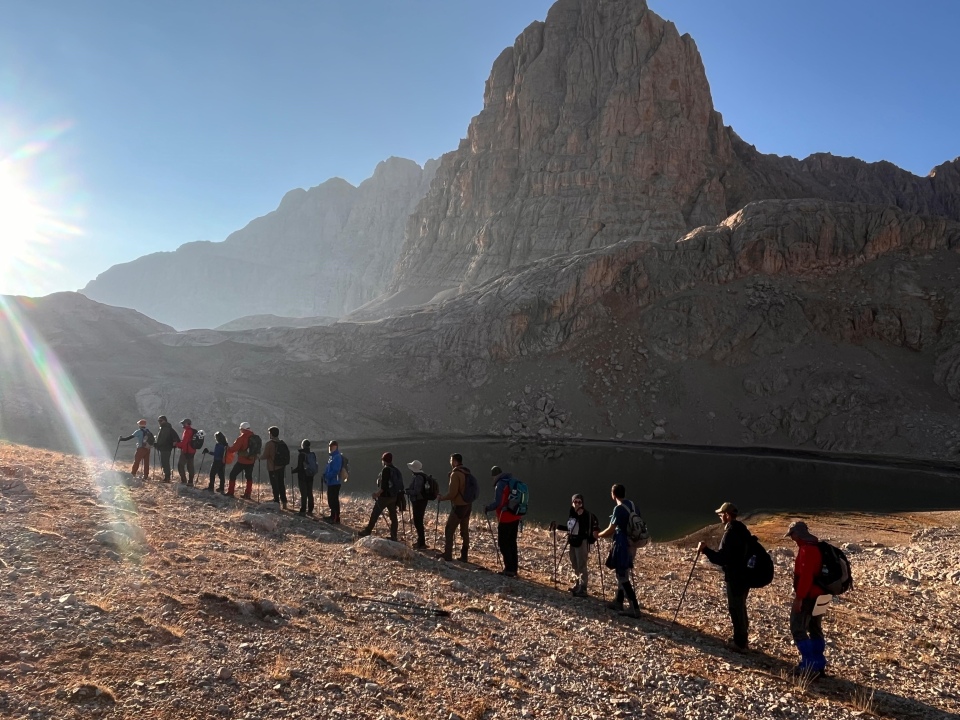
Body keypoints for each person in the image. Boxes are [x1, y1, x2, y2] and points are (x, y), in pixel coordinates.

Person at [697, 501, 752, 652]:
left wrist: (706, 550)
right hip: (745, 575)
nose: (720, 516)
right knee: (740, 606)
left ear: (727, 515)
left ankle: (740, 643)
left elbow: (722, 558)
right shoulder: (742, 529)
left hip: (735, 576)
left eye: (721, 514)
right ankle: (741, 638)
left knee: (735, 607)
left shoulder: (731, 533)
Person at [786, 520, 827, 675]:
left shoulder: (806, 550)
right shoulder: (818, 546)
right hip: (823, 594)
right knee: (815, 627)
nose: (792, 538)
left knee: (797, 627)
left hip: (809, 596)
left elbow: (806, 577)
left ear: (797, 534)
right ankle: (818, 663)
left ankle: (808, 665)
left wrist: (799, 598)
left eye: (792, 535)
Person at [597, 484, 642, 618]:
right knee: (624, 572)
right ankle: (619, 601)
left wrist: (598, 535)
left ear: (613, 495)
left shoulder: (618, 508)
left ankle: (634, 608)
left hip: (622, 544)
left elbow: (611, 529)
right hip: (633, 543)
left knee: (622, 575)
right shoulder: (633, 505)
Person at [484, 466, 523, 577]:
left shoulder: (500, 484)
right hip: (515, 517)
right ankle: (514, 569)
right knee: (512, 543)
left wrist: (488, 508)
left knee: (503, 543)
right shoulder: (511, 481)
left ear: (494, 475)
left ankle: (509, 569)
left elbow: (498, 503)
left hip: (505, 517)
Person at [357, 453, 402, 540]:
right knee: (393, 516)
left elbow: (384, 486)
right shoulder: (396, 470)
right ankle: (394, 536)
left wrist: (376, 494)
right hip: (394, 497)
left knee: (375, 513)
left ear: (384, 460)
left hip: (384, 497)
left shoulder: (386, 470)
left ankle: (367, 531)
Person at [438, 453, 472, 562]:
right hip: (468, 504)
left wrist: (441, 498)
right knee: (464, 530)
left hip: (459, 506)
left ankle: (448, 554)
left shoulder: (456, 474)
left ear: (455, 461)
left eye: (451, 460)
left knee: (449, 529)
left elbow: (452, 494)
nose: (450, 462)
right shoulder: (466, 472)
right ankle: (464, 556)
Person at [565, 494, 599, 596]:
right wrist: (557, 527)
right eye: (575, 502)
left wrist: (581, 516)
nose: (577, 504)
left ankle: (583, 588)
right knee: (574, 564)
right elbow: (570, 528)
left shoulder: (585, 514)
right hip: (573, 541)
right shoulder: (571, 513)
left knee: (582, 565)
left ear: (582, 503)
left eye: (579, 502)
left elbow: (585, 528)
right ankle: (577, 584)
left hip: (582, 542)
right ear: (572, 503)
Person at [406, 460, 432, 549]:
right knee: (419, 521)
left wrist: (407, 492)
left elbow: (416, 491)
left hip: (418, 501)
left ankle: (421, 543)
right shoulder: (423, 476)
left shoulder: (418, 477)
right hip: (422, 501)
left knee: (418, 521)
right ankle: (421, 542)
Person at [226, 422, 257, 498]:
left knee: (232, 474)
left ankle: (230, 492)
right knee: (249, 476)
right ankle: (248, 494)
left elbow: (234, 449)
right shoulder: (254, 437)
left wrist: (228, 448)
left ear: (242, 429)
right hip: (251, 460)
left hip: (242, 461)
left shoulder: (241, 438)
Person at [261, 426, 288, 509]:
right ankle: (284, 502)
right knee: (281, 484)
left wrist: (259, 457)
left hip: (273, 468)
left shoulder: (269, 444)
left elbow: (265, 456)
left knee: (275, 485)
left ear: (271, 434)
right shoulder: (282, 443)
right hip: (281, 467)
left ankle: (276, 501)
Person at [291, 440, 317, 516]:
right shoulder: (312, 454)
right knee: (310, 492)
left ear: (303, 445)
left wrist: (293, 471)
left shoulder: (302, 454)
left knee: (304, 493)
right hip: (310, 476)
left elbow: (299, 467)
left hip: (302, 476)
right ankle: (310, 509)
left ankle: (302, 510)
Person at [323, 440, 343, 523]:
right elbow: (329, 468)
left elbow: (335, 470)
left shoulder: (337, 457)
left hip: (335, 482)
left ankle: (336, 518)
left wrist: (327, 476)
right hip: (331, 482)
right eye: (329, 446)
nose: (330, 447)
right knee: (331, 499)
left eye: (331, 446)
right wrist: (324, 475)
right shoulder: (331, 457)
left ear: (335, 446)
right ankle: (332, 516)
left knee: (333, 500)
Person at [154, 415, 179, 483]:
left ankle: (167, 478)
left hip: (165, 448)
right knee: (165, 462)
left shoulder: (165, 428)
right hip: (166, 448)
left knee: (165, 462)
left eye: (160, 420)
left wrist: (157, 444)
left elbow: (163, 439)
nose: (159, 422)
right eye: (158, 421)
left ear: (164, 421)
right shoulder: (166, 428)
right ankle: (167, 477)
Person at [174, 418, 198, 486]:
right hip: (192, 451)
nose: (182, 425)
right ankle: (190, 482)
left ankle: (183, 480)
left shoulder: (187, 431)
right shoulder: (193, 431)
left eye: (183, 423)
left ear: (187, 423)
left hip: (186, 451)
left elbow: (184, 442)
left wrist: (176, 444)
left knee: (180, 465)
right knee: (190, 466)